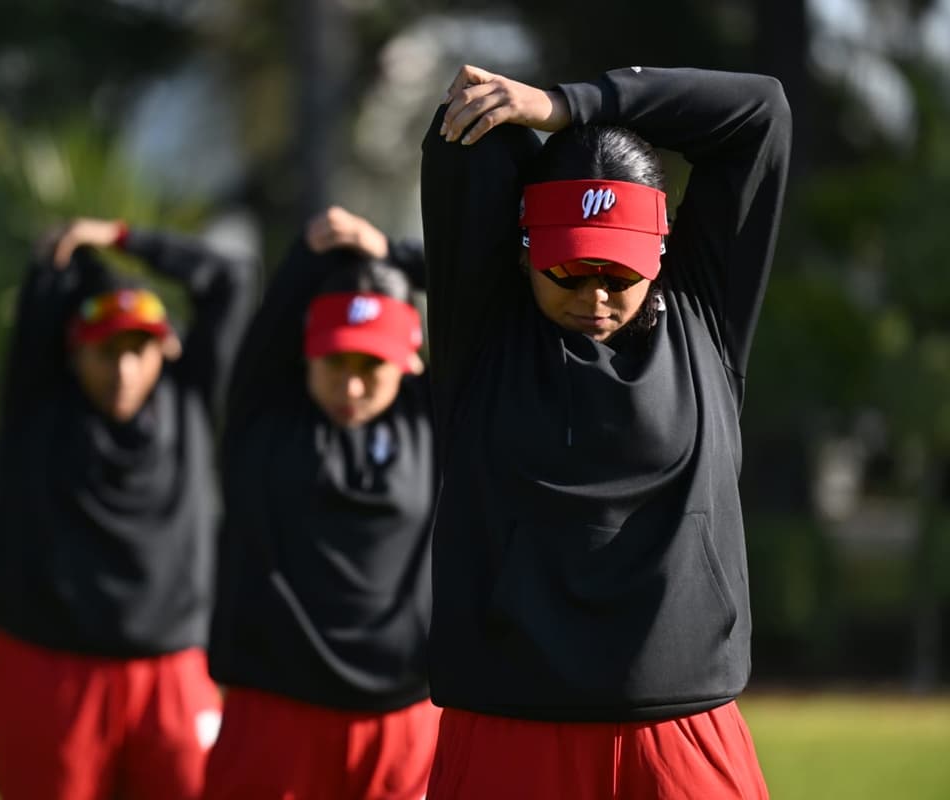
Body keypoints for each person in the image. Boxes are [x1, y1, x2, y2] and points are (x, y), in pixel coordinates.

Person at [419, 64, 791, 798]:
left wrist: (568, 107)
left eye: (619, 275)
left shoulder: (704, 316)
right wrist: (543, 137)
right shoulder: (485, 336)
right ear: (526, 250)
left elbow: (760, 111)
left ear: (661, 255)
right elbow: (464, 137)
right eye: (568, 269)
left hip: (682, 736)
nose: (594, 297)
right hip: (509, 734)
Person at [0, 217, 255, 800]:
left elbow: (229, 278)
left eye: (139, 348)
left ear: (166, 346)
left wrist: (122, 238)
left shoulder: (188, 398)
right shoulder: (40, 406)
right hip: (50, 671)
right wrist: (71, 259)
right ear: (74, 350)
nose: (124, 370)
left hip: (172, 672)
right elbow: (46, 288)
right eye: (107, 350)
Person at [202, 206, 439, 800]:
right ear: (307, 352)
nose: (351, 385)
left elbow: (497, 294)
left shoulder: (433, 418)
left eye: (371, 364)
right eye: (336, 359)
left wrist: (392, 252)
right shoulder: (265, 417)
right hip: (276, 719)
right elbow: (271, 323)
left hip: (403, 724)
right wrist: (311, 252)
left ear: (409, 359)